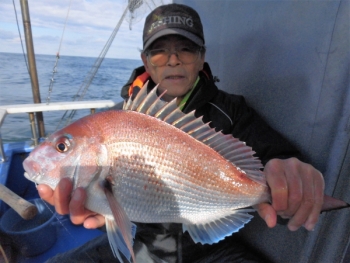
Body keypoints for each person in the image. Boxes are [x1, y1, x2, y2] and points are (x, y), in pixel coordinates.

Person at [38, 3, 325, 262]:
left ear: (201, 58)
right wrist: (99, 205)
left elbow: (277, 155)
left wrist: (290, 176)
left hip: (210, 250)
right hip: (145, 243)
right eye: (160, 50)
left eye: (185, 49)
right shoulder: (117, 119)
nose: (173, 59)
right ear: (147, 61)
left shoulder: (231, 111)